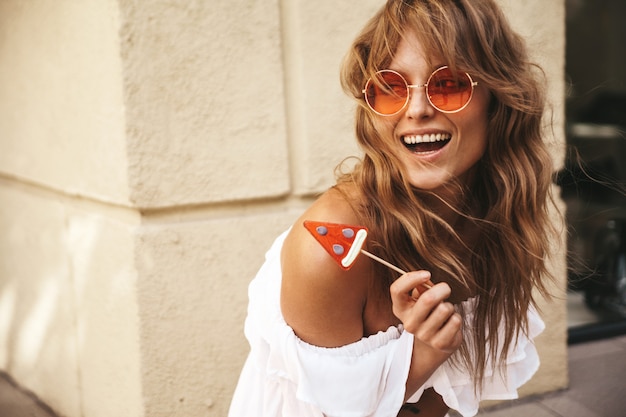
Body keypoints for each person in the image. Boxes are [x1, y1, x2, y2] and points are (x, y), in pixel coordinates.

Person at [228, 0, 557, 416]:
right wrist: (420, 355)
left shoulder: (495, 211)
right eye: (390, 88)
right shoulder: (325, 249)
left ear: (498, 99)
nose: (416, 110)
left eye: (449, 83)